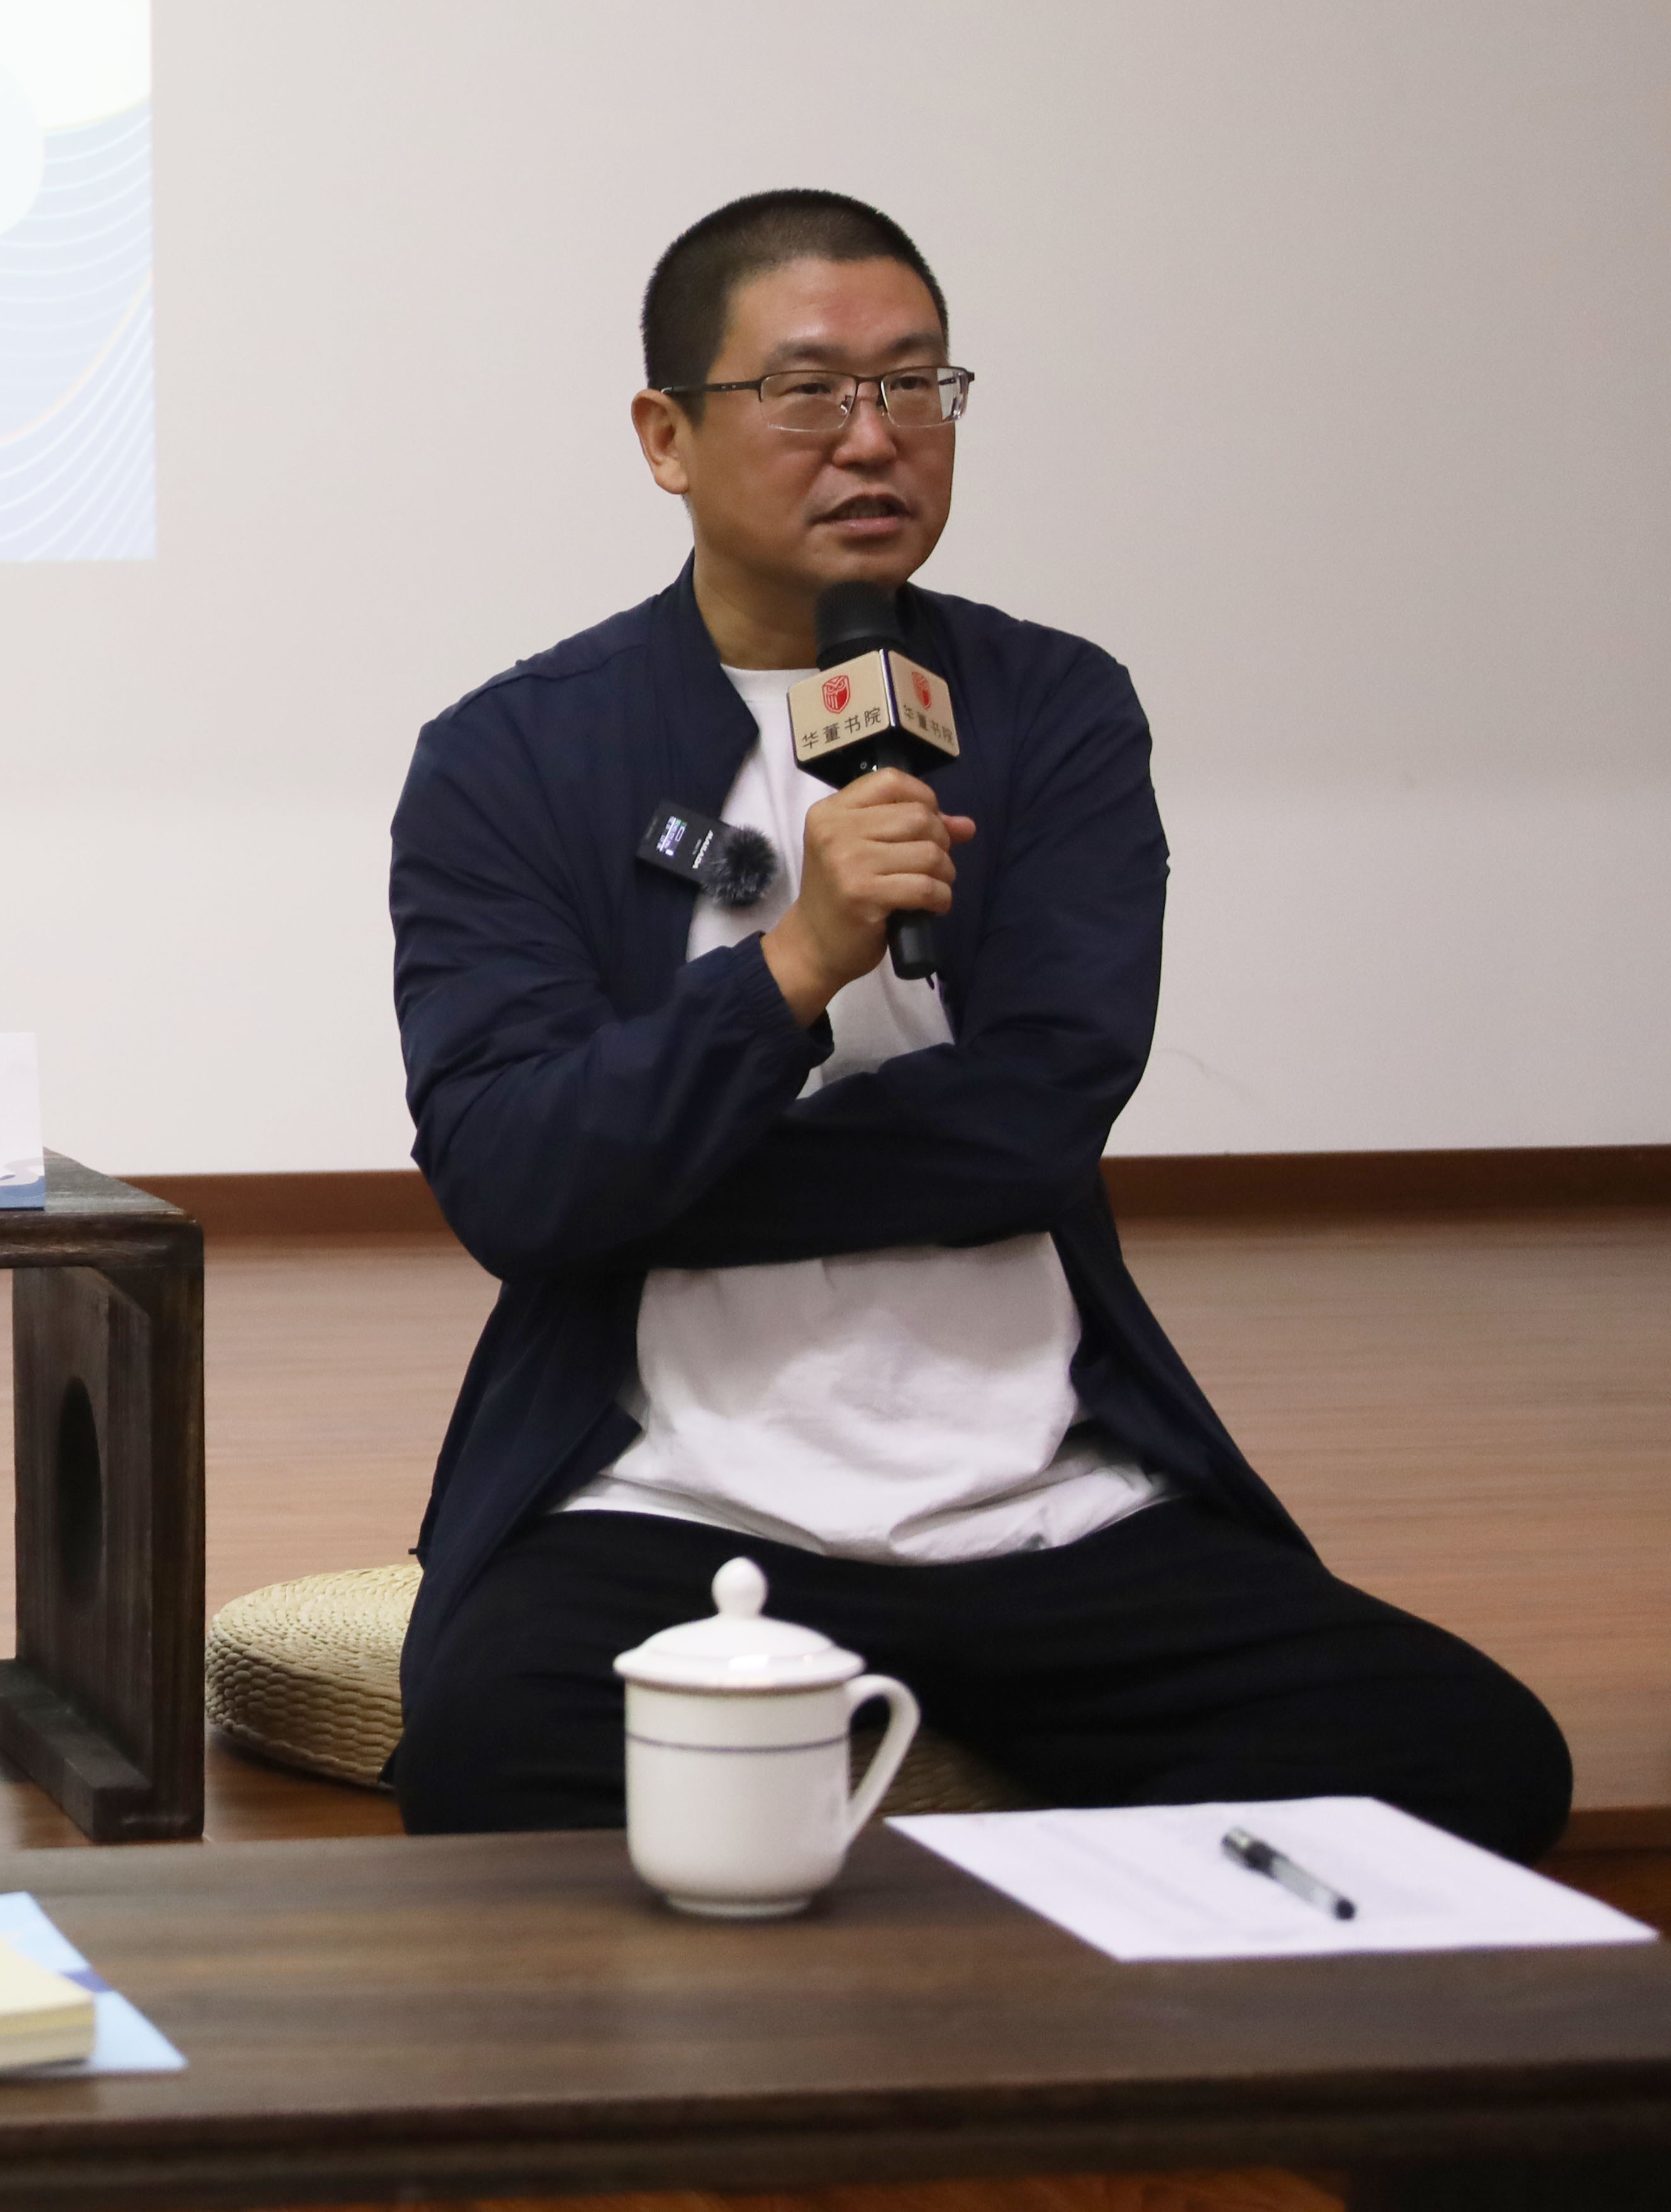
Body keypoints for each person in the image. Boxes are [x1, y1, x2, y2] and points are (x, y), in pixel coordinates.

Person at [382, 191, 1569, 1857]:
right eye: (807, 391)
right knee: (494, 1763)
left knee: (1470, 1758)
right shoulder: (513, 756)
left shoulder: (1051, 708)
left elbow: (1034, 1127)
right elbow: (513, 1178)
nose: (874, 439)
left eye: (916, 386)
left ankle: (1038, 1982)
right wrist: (793, 965)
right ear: (667, 436)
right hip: (666, 1501)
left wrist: (649, 1191)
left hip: (1047, 1495)